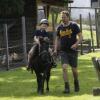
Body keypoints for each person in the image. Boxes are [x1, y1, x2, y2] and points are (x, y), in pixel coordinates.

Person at [54, 10, 83, 94]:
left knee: (74, 70)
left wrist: (76, 44)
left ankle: (76, 82)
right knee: (64, 67)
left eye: (64, 17)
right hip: (63, 51)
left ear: (68, 17)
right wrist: (55, 49)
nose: (63, 19)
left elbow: (81, 37)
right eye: (62, 17)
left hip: (73, 51)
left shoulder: (74, 25)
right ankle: (67, 87)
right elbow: (57, 39)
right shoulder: (59, 27)